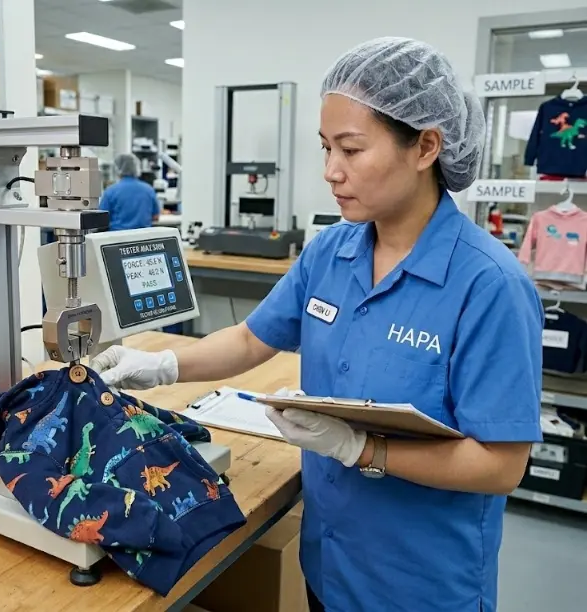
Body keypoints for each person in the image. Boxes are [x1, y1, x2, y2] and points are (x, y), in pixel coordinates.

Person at [91, 37, 543, 612]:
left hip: (419, 586)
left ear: (427, 146)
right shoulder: (331, 252)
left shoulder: (488, 285)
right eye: (326, 147)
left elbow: (501, 465)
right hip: (329, 565)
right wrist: (159, 366)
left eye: (351, 150)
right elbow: (253, 338)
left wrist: (361, 449)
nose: (331, 171)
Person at [100, 153, 161, 230]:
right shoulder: (149, 189)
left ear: (117, 169)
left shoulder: (111, 191)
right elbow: (155, 217)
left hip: (117, 238)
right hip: (142, 238)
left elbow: (101, 219)